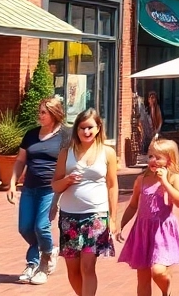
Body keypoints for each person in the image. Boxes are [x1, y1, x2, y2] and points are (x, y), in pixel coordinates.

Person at [52, 108, 119, 296]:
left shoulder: (108, 153)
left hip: (96, 215)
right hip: (69, 217)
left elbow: (112, 186)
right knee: (73, 270)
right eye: (82, 128)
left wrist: (113, 219)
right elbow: (55, 186)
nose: (86, 132)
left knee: (87, 267)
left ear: (98, 128)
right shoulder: (66, 153)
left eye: (90, 127)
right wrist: (66, 180)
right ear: (76, 130)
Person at [116, 137, 179, 296]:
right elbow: (133, 204)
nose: (153, 160)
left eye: (158, 157)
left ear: (170, 160)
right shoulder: (141, 180)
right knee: (143, 277)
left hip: (162, 231)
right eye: (150, 156)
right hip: (142, 231)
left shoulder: (174, 178)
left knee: (158, 271)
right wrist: (122, 224)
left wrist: (165, 183)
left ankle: (166, 288)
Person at [8, 95, 66, 285]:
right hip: (29, 188)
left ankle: (41, 262)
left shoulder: (65, 136)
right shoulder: (31, 134)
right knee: (25, 227)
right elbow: (20, 160)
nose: (40, 116)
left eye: (44, 112)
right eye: (39, 112)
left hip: (50, 190)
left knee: (41, 227)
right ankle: (46, 251)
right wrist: (12, 183)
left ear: (54, 114)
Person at [140, 90, 163, 162]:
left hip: (154, 135)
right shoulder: (146, 109)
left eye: (153, 98)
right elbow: (143, 121)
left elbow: (159, 122)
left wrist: (156, 132)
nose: (151, 99)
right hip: (146, 135)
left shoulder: (157, 109)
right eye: (149, 97)